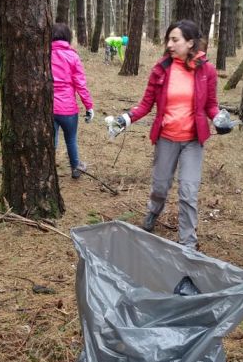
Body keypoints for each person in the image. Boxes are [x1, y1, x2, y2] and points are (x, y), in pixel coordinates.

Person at [110, 19, 233, 250]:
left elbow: (211, 105)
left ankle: (188, 242)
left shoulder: (206, 70)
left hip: (193, 141)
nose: (169, 44)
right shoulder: (161, 69)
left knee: (188, 190)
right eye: (168, 39)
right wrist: (124, 119)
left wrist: (219, 118)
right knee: (160, 186)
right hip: (166, 138)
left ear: (190, 43)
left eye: (175, 40)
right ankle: (153, 212)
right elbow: (146, 104)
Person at [51, 23, 94, 179]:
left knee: (52, 141)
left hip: (49, 107)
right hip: (68, 109)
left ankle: (48, 169)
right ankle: (76, 168)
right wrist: (89, 107)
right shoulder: (73, 56)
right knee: (71, 139)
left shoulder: (43, 55)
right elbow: (81, 84)